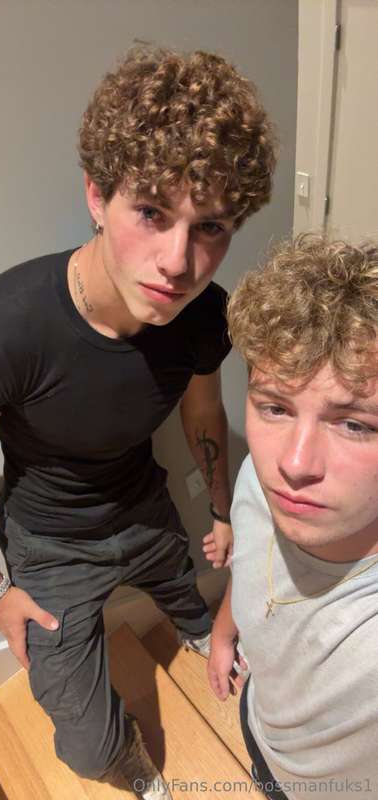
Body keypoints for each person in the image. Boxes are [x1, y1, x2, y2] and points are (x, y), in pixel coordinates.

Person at [0, 46, 275, 799]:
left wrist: (221, 510)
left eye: (210, 227)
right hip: (51, 543)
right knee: (87, 753)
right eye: (151, 212)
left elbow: (203, 409)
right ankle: (125, 759)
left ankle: (191, 624)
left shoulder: (203, 315)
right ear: (96, 194)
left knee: (190, 595)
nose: (179, 262)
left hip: (146, 505)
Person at [208, 234, 378, 800]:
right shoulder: (259, 480)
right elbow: (252, 560)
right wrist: (226, 631)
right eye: (275, 407)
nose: (294, 464)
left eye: (354, 423)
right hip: (260, 730)